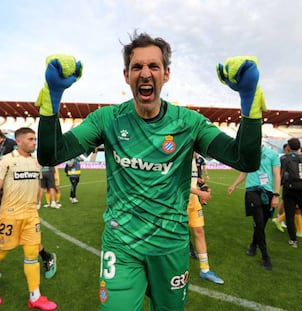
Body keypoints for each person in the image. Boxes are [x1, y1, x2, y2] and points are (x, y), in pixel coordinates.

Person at [36, 32, 264, 310]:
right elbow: (51, 155)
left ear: (166, 74)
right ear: (126, 75)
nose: (145, 73)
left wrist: (249, 101)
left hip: (170, 247)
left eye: (153, 66)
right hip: (121, 246)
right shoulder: (106, 119)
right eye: (137, 67)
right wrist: (52, 100)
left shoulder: (189, 123)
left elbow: (244, 159)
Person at [0, 123, 56, 284]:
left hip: (16, 201)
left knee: (28, 237)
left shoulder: (10, 145)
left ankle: (46, 257)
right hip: (4, 198)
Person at [227, 145, 281, 270]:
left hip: (268, 192)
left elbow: (277, 175)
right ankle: (265, 256)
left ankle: (253, 244)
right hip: (252, 191)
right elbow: (244, 172)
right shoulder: (249, 154)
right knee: (259, 222)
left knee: (261, 224)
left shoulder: (272, 154)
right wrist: (234, 185)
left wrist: (276, 195)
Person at [189, 155, 223, 284]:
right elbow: (178, 183)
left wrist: (203, 186)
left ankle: (205, 270)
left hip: (193, 202)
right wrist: (201, 193)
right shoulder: (180, 156)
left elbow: (191, 181)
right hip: (179, 203)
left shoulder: (194, 161)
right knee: (173, 237)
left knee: (199, 232)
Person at [280, 137, 302, 248]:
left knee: (289, 215)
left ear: (288, 147)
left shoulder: (284, 158)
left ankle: (293, 241)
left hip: (289, 189)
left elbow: (281, 173)